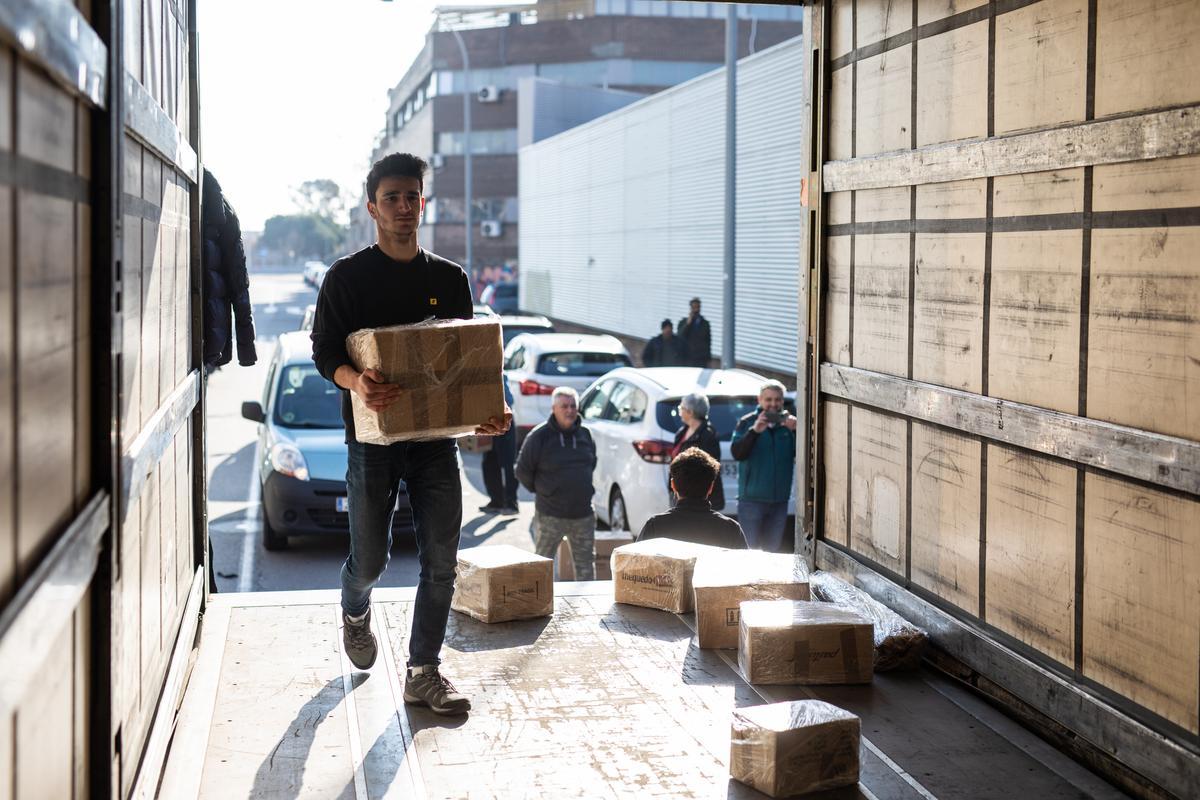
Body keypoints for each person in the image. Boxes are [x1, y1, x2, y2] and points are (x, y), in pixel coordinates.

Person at [311, 152, 510, 716]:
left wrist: (487, 417)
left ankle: (424, 671)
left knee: (442, 561)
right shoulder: (347, 278)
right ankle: (355, 606)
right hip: (373, 444)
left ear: (424, 203)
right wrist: (356, 382)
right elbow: (325, 350)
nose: (404, 207)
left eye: (413, 197)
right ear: (372, 207)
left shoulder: (449, 279)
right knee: (370, 560)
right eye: (392, 197)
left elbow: (466, 366)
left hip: (435, 446)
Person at [515, 387, 598, 580]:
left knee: (586, 568)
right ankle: (537, 607)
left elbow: (591, 463)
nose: (569, 410)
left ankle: (586, 609)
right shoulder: (539, 436)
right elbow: (522, 470)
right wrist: (545, 491)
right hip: (550, 515)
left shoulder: (585, 435)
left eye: (573, 406)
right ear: (554, 408)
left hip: (583, 515)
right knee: (541, 567)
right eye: (564, 406)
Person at [730, 380, 796, 552]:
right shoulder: (747, 422)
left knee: (771, 554)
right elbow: (737, 453)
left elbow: (805, 455)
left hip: (780, 501)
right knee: (749, 551)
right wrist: (754, 431)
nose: (773, 404)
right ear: (759, 400)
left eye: (777, 400)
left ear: (783, 401)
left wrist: (798, 430)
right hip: (751, 501)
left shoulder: (790, 425)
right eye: (768, 400)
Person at [201, 168, 257, 371]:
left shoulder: (222, 210)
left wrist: (246, 349)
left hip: (208, 338)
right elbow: (239, 281)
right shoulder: (216, 205)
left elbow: (238, 281)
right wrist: (246, 349)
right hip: (209, 335)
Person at [636, 448, 747, 549]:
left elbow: (633, 567)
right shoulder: (731, 530)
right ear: (711, 487)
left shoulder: (655, 526)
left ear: (673, 485)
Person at [670, 392, 724, 511]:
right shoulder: (682, 432)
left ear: (690, 412)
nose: (680, 411)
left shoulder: (708, 435)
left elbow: (709, 470)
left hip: (699, 499)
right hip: (680, 493)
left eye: (681, 408)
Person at [480, 381, 519, 514]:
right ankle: (496, 501)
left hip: (503, 422)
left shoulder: (497, 373)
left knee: (508, 463)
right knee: (489, 462)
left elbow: (509, 400)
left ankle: (512, 503)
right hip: (487, 422)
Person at [677, 297, 712, 367]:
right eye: (694, 307)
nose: (696, 310)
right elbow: (680, 336)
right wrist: (688, 324)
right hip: (688, 358)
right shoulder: (683, 322)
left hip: (701, 358)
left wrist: (708, 357)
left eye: (697, 307)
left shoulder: (705, 323)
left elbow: (708, 341)